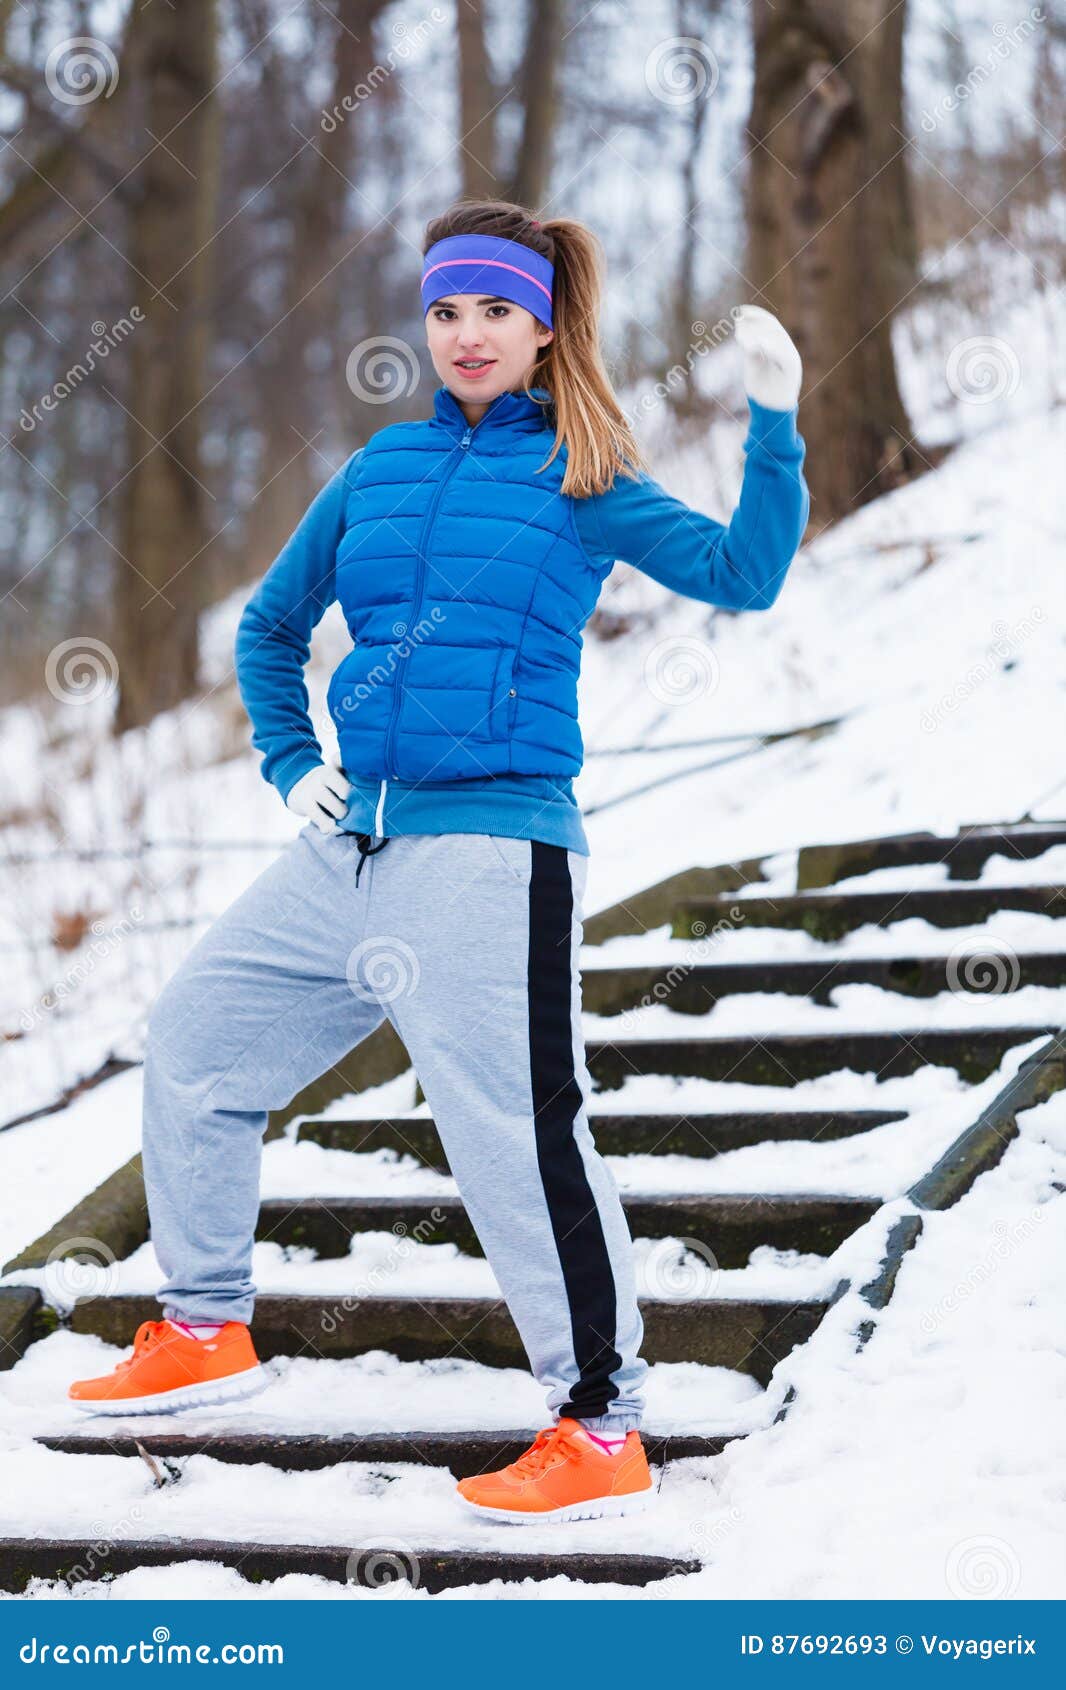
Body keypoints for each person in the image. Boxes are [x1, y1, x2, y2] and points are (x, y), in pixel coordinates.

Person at [68, 200, 809, 1524]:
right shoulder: (376, 470)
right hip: (347, 846)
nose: (468, 334)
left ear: (541, 329)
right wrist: (295, 762)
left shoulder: (583, 484)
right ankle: (203, 1324)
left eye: (497, 312)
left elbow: (744, 574)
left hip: (488, 849)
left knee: (511, 1130)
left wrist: (771, 419)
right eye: (447, 310)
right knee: (192, 1039)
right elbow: (269, 627)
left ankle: (598, 1421)